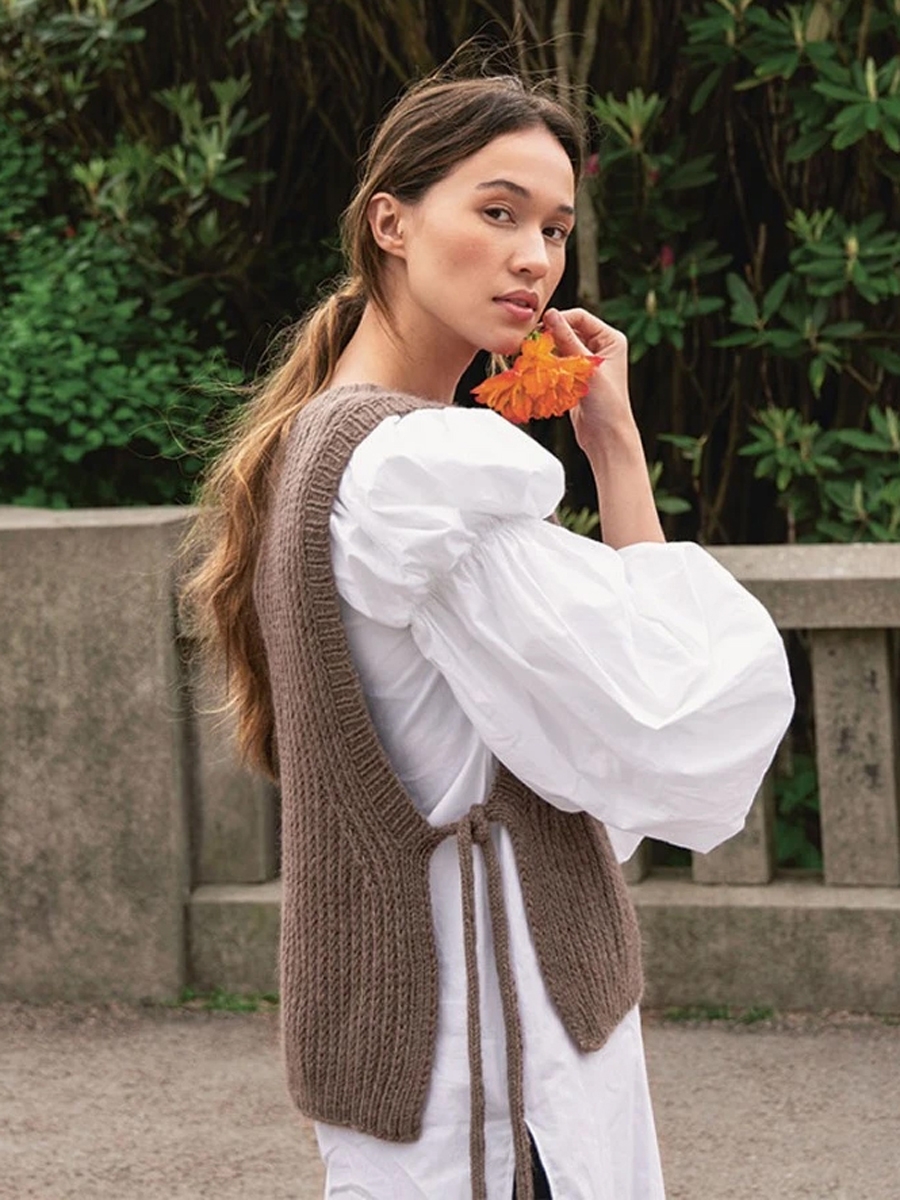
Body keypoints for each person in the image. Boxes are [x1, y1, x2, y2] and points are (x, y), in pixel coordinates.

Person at [183, 71, 794, 1200]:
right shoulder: (414, 468)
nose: (534, 259)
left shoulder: (322, 443)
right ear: (391, 221)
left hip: (433, 1047)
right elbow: (675, 717)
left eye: (555, 229)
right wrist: (616, 451)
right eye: (498, 211)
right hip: (501, 1072)